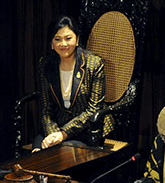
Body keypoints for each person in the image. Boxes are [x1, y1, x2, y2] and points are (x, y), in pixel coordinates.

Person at [32, 15, 114, 152]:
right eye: (57, 39)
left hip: (87, 130)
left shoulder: (94, 64)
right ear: (52, 44)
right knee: (38, 149)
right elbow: (46, 108)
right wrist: (53, 134)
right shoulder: (45, 65)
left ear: (77, 40)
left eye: (68, 38)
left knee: (59, 153)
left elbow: (93, 110)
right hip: (58, 128)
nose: (63, 44)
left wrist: (63, 134)